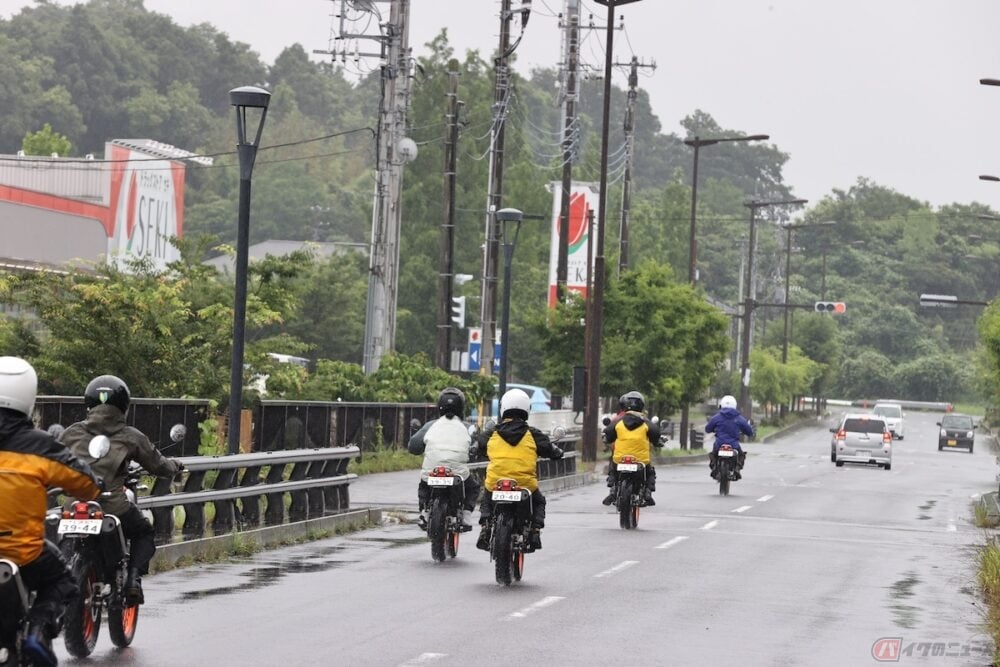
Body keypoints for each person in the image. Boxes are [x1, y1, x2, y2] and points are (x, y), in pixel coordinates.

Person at [0, 357, 102, 666]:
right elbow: (86, 483)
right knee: (63, 581)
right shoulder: (40, 447)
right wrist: (92, 486)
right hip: (22, 553)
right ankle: (37, 630)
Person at [59, 375, 183, 606]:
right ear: (124, 404)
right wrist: (174, 466)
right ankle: (133, 580)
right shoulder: (130, 436)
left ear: (89, 402)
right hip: (111, 506)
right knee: (143, 531)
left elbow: (51, 459)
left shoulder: (71, 433)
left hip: (73, 505)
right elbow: (159, 465)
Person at [476, 388, 563, 552]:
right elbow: (551, 450)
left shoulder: (492, 433)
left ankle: (485, 527)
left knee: (487, 499)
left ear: (503, 409)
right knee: (539, 501)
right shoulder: (533, 434)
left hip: (495, 482)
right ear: (526, 409)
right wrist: (557, 452)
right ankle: (535, 531)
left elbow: (478, 447)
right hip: (525, 484)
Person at [407, 387, 478, 530]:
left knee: (424, 483)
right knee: (473, 487)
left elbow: (413, 447)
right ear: (461, 407)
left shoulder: (430, 425)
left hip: (432, 470)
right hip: (457, 472)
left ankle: (424, 512)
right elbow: (477, 446)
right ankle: (466, 514)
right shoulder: (468, 427)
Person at [601, 391, 660, 507]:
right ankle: (648, 493)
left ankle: (613, 490)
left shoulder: (618, 422)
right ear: (642, 406)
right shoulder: (646, 422)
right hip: (641, 460)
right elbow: (656, 435)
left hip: (620, 459)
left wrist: (608, 439)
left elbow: (608, 434)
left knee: (613, 467)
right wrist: (657, 442)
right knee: (650, 471)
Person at [705, 395, 755, 479]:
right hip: (734, 445)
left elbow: (708, 429)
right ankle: (737, 468)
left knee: (713, 454)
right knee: (741, 455)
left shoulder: (717, 417)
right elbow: (749, 431)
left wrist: (714, 429)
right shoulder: (739, 418)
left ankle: (714, 467)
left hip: (719, 444)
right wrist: (748, 433)